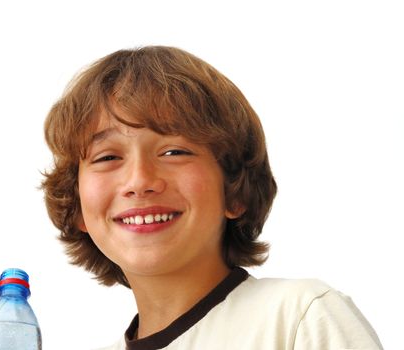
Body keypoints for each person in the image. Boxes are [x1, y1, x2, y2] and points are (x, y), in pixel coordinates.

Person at [41, 46, 382, 349]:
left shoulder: (298, 317)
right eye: (107, 157)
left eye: (174, 151)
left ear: (234, 192)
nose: (139, 181)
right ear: (78, 210)